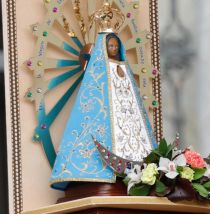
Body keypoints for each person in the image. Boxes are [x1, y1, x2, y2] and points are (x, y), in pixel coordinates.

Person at [50, 30, 157, 189]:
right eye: (110, 45)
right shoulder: (97, 70)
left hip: (126, 115)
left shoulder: (123, 68)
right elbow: (93, 101)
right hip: (107, 118)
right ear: (103, 47)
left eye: (116, 46)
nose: (113, 48)